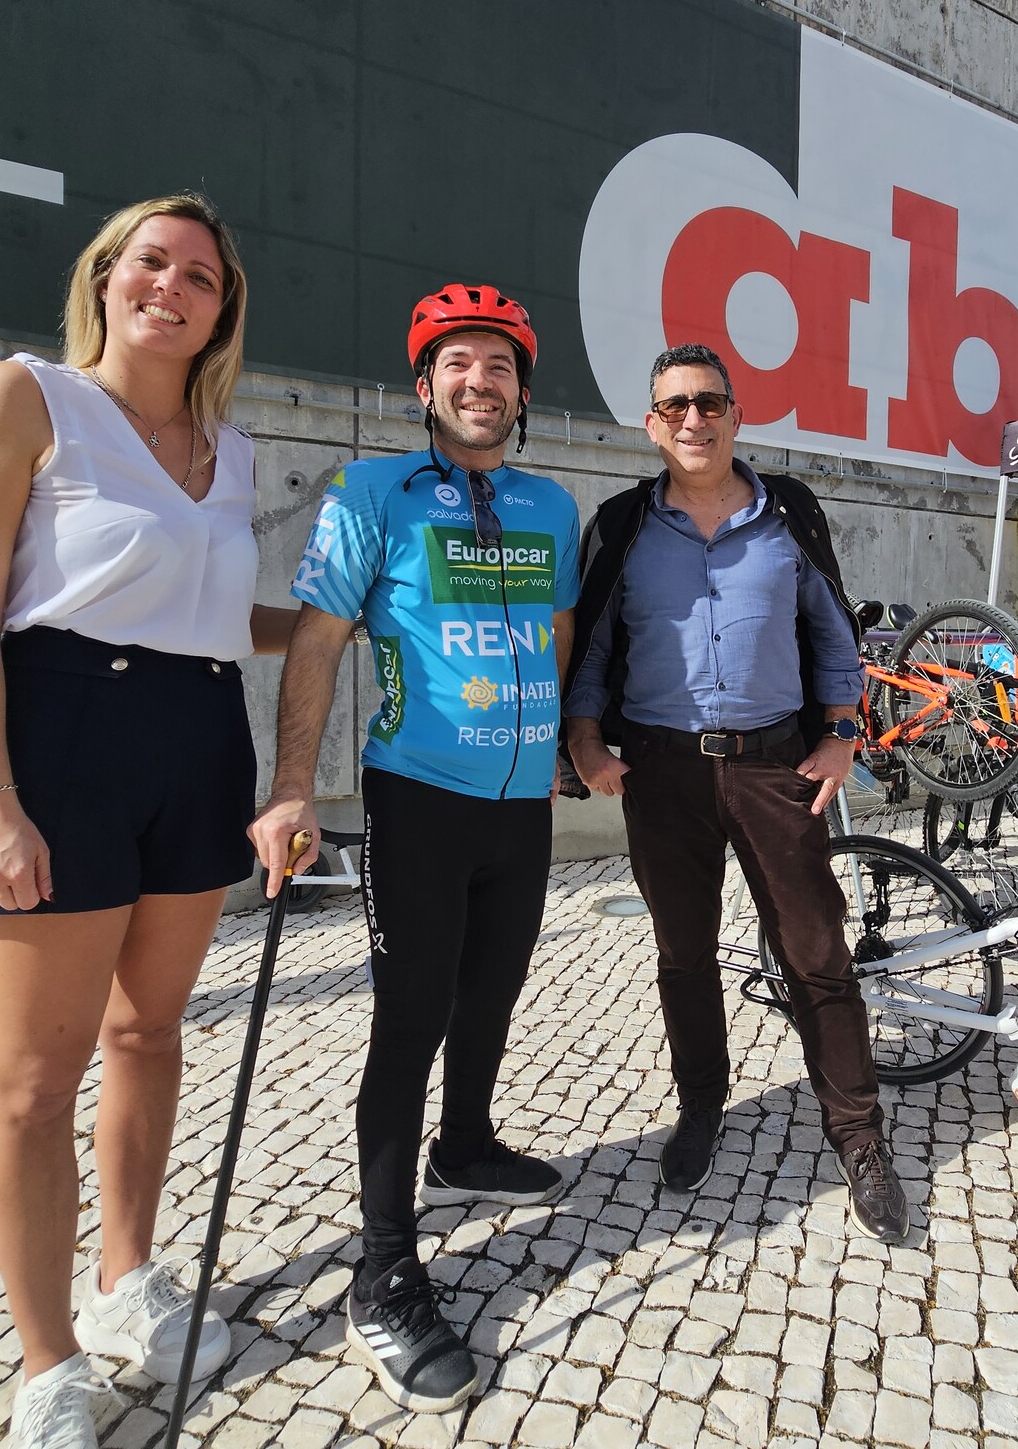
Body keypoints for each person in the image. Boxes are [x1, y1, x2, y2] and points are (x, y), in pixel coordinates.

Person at [0, 194, 296, 1449]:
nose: (173, 286)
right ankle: (47, 1361)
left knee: (150, 1035)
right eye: (153, 262)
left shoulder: (225, 447)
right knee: (33, 1083)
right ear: (108, 276)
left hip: (197, 739)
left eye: (201, 275)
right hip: (62, 740)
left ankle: (130, 1278)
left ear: (221, 309)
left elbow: (204, 610)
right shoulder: (25, 398)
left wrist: (337, 620)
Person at [246, 284, 579, 1414]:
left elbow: (559, 630)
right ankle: (384, 1266)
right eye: (457, 365)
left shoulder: (550, 505)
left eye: (499, 366)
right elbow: (320, 639)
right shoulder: (370, 492)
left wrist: (571, 742)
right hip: (419, 801)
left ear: (523, 392)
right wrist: (292, 786)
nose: (477, 381)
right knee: (412, 1016)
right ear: (425, 387)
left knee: (493, 994)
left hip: (522, 803)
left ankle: (469, 1142)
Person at [562, 343, 913, 1244]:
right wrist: (586, 740)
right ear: (651, 424)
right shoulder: (620, 524)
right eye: (674, 405)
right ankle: (702, 1107)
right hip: (661, 772)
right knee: (683, 953)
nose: (692, 418)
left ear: (735, 415)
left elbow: (833, 629)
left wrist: (842, 734)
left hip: (772, 767)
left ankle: (858, 1135)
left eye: (708, 402)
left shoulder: (788, 513)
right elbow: (594, 644)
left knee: (816, 951)